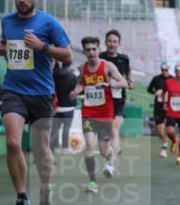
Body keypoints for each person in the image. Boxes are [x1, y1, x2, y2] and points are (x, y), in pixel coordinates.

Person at [0, 0, 72, 205]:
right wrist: (0, 48)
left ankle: (45, 194)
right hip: (14, 90)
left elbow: (68, 56)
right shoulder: (7, 21)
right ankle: (22, 197)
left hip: (41, 94)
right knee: (14, 143)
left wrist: (42, 47)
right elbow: (10, 49)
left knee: (40, 149)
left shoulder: (49, 23)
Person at [72, 36, 129, 193]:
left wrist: (107, 84)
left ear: (98, 49)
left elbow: (123, 83)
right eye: (87, 50)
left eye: (93, 49)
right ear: (83, 51)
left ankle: (110, 157)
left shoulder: (107, 66)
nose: (91, 52)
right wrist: (75, 92)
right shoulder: (82, 67)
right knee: (89, 144)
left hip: (105, 112)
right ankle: (92, 182)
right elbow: (81, 83)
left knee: (103, 150)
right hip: (88, 112)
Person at [99, 30, 133, 157]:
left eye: (115, 42)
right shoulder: (100, 57)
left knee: (114, 128)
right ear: (105, 42)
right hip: (103, 98)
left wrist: (130, 81)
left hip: (119, 98)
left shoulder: (124, 58)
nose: (112, 44)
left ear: (119, 43)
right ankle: (113, 148)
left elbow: (129, 71)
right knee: (106, 130)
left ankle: (112, 159)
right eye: (109, 41)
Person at [50, 59, 77, 153]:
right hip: (69, 107)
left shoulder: (53, 75)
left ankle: (54, 147)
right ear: (70, 63)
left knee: (55, 128)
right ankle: (65, 147)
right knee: (66, 128)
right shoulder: (73, 76)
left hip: (56, 106)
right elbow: (77, 90)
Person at [147, 61, 172, 157]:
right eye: (162, 70)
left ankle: (164, 148)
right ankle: (165, 141)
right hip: (158, 105)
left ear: (168, 69)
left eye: (166, 70)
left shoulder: (172, 79)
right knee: (158, 130)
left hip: (169, 106)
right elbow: (149, 89)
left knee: (165, 128)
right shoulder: (156, 79)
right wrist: (155, 92)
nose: (164, 71)